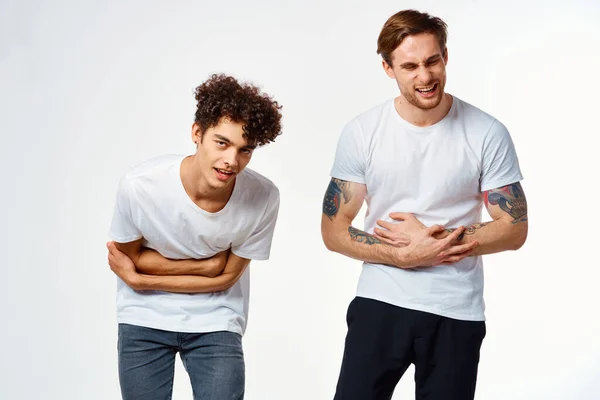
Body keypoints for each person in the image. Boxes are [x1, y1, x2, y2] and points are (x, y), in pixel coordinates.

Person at [321, 9, 527, 400]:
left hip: (456, 309)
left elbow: (514, 226)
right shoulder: (363, 132)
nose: (425, 76)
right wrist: (402, 256)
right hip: (381, 300)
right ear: (387, 68)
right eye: (410, 66)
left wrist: (433, 242)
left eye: (432, 61)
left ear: (445, 56)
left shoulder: (487, 132)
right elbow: (333, 228)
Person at [106, 73, 282, 400]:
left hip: (216, 321)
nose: (232, 161)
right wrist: (205, 267)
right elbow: (125, 260)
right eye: (222, 143)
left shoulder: (264, 197)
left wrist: (144, 278)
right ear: (197, 133)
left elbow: (226, 278)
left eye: (245, 150)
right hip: (144, 317)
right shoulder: (141, 186)